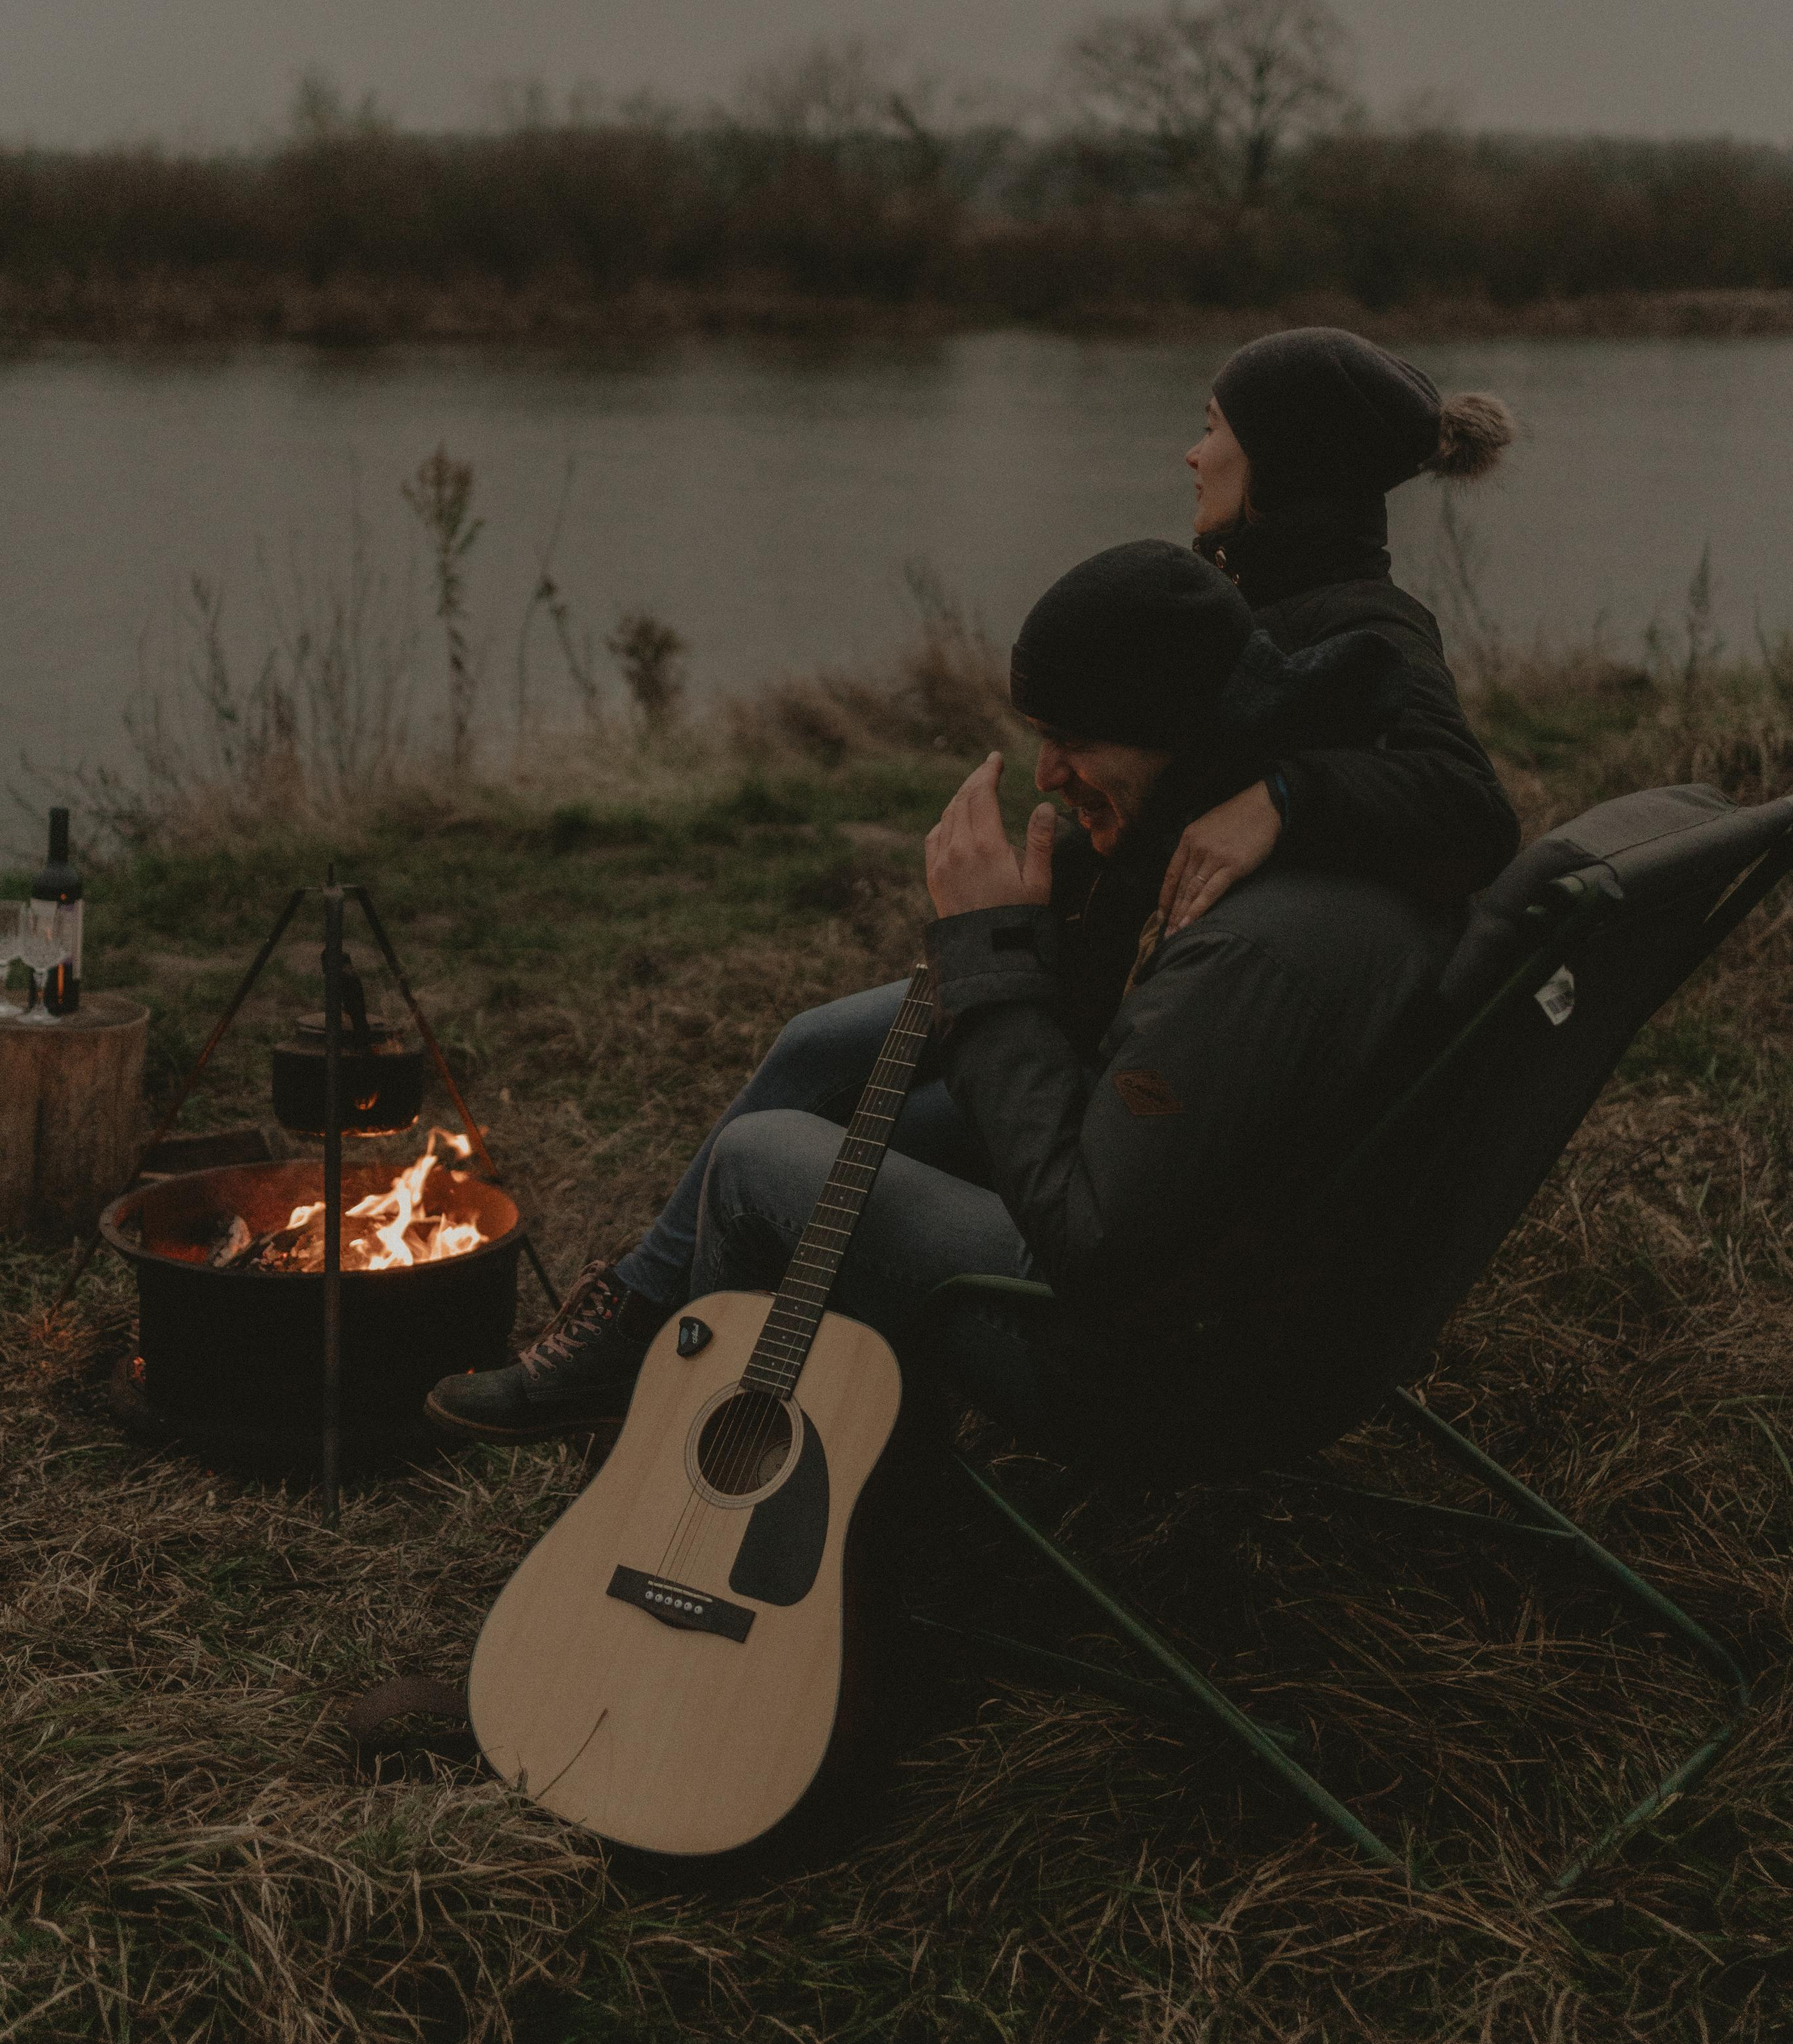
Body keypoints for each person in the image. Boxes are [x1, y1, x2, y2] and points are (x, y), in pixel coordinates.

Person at [425, 527, 1485, 1464]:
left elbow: (1086, 1232)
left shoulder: (1249, 946)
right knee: (822, 1075)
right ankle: (646, 1338)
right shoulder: (1295, 832)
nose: (1048, 775)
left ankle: (701, 1499)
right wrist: (1046, 934)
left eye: (1073, 740)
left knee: (759, 1165)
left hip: (1156, 1374)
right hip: (1246, 1283)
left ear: (1179, 729)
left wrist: (986, 957)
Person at [1162, 324, 1516, 932]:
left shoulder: (1371, 621)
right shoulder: (1261, 597)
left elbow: (1473, 810)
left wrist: (1283, 798)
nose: (1194, 454)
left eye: (1214, 427)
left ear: (1284, 464)